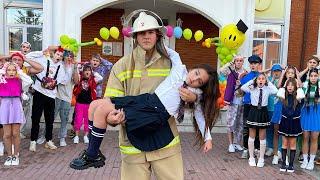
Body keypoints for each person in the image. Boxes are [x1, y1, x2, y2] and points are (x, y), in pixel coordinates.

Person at [70, 11, 197, 179]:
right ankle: (92, 152)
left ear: (158, 35)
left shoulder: (171, 63)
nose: (146, 37)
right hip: (133, 146)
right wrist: (110, 119)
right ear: (135, 37)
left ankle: (92, 152)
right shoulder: (121, 66)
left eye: (150, 32)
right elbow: (110, 103)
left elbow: (190, 93)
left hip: (165, 146)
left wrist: (191, 99)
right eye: (142, 33)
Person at [70, 45, 219, 169]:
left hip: (155, 113)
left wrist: (208, 138)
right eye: (196, 73)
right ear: (194, 67)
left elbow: (200, 115)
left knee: (102, 110)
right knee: (95, 105)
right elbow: (171, 51)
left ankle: (92, 154)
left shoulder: (195, 93)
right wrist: (156, 34)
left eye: (199, 81)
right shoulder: (179, 67)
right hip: (148, 99)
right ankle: (92, 150)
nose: (194, 79)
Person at [27, 47, 67, 151]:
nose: (59, 57)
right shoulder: (43, 60)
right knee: (36, 117)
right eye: (58, 54)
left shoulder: (61, 67)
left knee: (49, 119)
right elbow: (28, 57)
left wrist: (52, 83)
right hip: (39, 92)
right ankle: (33, 141)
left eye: (61, 56)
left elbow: (62, 79)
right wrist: (42, 51)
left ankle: (48, 140)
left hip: (51, 95)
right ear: (53, 54)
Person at [241, 73, 278, 167]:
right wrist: (252, 80)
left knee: (262, 136)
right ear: (256, 81)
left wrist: (268, 81)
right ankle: (252, 157)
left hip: (263, 112)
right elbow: (242, 88)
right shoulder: (252, 88)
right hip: (253, 111)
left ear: (265, 80)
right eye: (259, 79)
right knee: (252, 136)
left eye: (263, 79)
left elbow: (276, 90)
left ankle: (261, 158)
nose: (261, 80)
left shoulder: (268, 89)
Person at [0, 62, 33, 165]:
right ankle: (9, 156)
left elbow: (30, 80)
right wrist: (2, 70)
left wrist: (19, 71)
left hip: (16, 105)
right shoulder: (1, 79)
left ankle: (16, 155)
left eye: (13, 70)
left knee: (15, 133)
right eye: (9, 70)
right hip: (5, 105)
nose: (11, 72)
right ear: (5, 70)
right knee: (6, 134)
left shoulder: (20, 80)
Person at [277, 78, 304, 172]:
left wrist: (299, 86)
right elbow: (279, 92)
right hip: (285, 122)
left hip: (294, 122)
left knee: (292, 144)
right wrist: (284, 84)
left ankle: (291, 165)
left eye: (292, 85)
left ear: (295, 87)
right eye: (288, 85)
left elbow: (301, 93)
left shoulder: (298, 97)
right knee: (284, 144)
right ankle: (284, 163)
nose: (290, 87)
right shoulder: (283, 95)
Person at [220, 55, 247, 153]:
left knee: (240, 124)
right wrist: (230, 63)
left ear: (243, 62)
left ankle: (237, 143)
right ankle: (231, 144)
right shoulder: (230, 71)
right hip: (232, 101)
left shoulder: (245, 72)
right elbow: (221, 71)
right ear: (235, 62)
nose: (239, 62)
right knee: (231, 123)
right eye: (237, 61)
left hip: (242, 102)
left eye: (240, 61)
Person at [240, 55, 263, 159]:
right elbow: (241, 92)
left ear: (259, 65)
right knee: (246, 127)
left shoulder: (262, 77)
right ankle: (246, 149)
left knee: (257, 127)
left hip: (258, 106)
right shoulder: (245, 77)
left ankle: (257, 149)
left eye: (255, 63)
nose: (253, 65)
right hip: (247, 105)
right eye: (251, 63)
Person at [55, 50, 79, 147]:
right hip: (56, 95)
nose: (69, 58)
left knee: (64, 118)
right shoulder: (58, 65)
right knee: (51, 116)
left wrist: (75, 68)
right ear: (63, 57)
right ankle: (45, 136)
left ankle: (62, 137)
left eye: (71, 56)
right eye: (67, 56)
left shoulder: (73, 67)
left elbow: (76, 82)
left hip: (67, 97)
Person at [72, 64, 101, 144]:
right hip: (79, 103)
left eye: (89, 70)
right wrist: (80, 68)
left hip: (89, 104)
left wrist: (92, 72)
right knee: (78, 120)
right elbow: (76, 76)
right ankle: (76, 136)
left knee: (87, 121)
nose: (87, 72)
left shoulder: (93, 80)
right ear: (83, 71)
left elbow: (100, 78)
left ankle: (85, 136)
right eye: (85, 70)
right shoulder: (80, 79)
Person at [300, 68, 320, 171]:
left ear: (318, 76)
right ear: (309, 76)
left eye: (315, 76)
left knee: (314, 137)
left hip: (317, 113)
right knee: (305, 137)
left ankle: (311, 160)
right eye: (311, 76)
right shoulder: (304, 85)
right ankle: (305, 160)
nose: (313, 78)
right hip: (306, 112)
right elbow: (299, 97)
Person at [265, 64, 283, 158]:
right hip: (268, 108)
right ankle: (271, 147)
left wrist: (283, 73)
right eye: (275, 71)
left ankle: (279, 149)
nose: (276, 73)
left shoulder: (283, 81)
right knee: (269, 129)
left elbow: (278, 88)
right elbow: (262, 74)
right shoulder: (269, 79)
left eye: (278, 71)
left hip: (278, 109)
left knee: (278, 130)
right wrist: (269, 69)